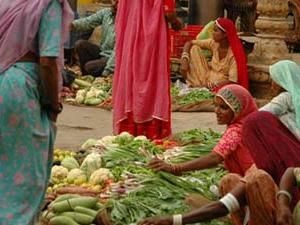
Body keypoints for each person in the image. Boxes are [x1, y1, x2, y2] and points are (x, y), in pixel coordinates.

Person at [138, 61, 300, 225]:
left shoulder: (255, 162)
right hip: (281, 202)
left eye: (223, 108)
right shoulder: (287, 163)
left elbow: (223, 201)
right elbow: (288, 175)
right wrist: (283, 201)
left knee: (253, 180)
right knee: (230, 180)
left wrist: (173, 219)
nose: (216, 111)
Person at [0, 0, 73, 224]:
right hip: (20, 90)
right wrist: (53, 103)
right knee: (24, 176)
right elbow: (48, 61)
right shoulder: (47, 4)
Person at [149, 84, 256, 177]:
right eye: (215, 105)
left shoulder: (236, 131)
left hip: (247, 179)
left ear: (238, 109)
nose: (216, 111)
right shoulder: (250, 124)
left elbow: (215, 157)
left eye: (224, 108)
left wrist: (175, 168)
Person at [112, 0, 182, 139]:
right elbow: (168, 12)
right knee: (152, 79)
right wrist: (176, 23)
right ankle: (150, 130)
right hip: (152, 37)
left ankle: (130, 128)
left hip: (130, 34)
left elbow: (116, 6)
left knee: (131, 77)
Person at [181, 18, 248, 91]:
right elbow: (189, 42)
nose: (212, 33)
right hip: (207, 78)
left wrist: (213, 85)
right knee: (194, 48)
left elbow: (232, 81)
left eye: (215, 31)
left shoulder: (233, 55)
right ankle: (198, 87)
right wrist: (185, 59)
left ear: (225, 34)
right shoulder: (214, 43)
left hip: (221, 85)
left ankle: (199, 88)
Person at [71, 0, 118, 77]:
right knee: (80, 44)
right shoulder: (106, 13)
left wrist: (108, 71)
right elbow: (88, 22)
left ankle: (96, 76)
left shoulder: (126, 21)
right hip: (103, 52)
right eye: (113, 1)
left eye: (118, 2)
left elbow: (117, 51)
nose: (114, 4)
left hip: (113, 58)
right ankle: (86, 77)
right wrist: (71, 25)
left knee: (89, 67)